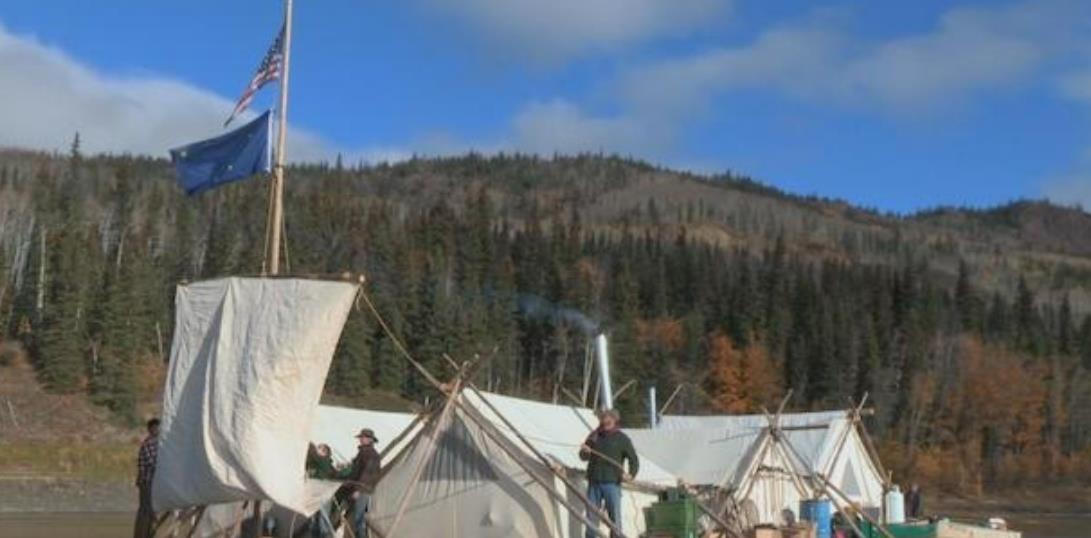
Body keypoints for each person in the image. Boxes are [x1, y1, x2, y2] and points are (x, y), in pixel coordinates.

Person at [579, 408, 639, 538]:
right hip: (594, 482)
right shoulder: (594, 436)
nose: (604, 422)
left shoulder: (622, 439)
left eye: (608, 419)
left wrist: (631, 474)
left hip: (612, 483)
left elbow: (633, 459)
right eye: (603, 419)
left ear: (614, 420)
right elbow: (583, 456)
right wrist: (585, 451)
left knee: (614, 518)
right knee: (591, 517)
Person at [336, 428, 382, 538]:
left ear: (370, 439)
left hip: (362, 489)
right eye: (361, 437)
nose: (361, 439)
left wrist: (358, 490)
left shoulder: (370, 454)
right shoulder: (363, 452)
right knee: (355, 518)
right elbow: (356, 472)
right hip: (358, 488)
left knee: (359, 519)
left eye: (363, 437)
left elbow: (367, 474)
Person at [133, 418, 160, 538]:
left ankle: (148, 534)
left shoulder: (156, 443)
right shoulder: (149, 443)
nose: (158, 430)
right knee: (145, 510)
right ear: (151, 429)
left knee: (151, 510)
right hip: (146, 481)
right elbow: (153, 463)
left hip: (152, 482)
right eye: (156, 428)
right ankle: (142, 535)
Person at [306, 443, 338, 538]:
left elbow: (314, 456)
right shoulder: (313, 462)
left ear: (325, 453)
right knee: (313, 522)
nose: (317, 450)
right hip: (314, 495)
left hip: (324, 495)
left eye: (320, 449)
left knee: (323, 522)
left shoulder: (324, 461)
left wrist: (309, 444)